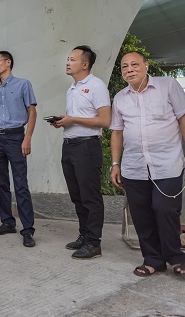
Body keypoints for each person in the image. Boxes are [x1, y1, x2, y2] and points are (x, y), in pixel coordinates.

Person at [110, 51, 185, 277]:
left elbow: (184, 119)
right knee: (141, 215)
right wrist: (115, 164)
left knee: (165, 209)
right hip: (134, 166)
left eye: (134, 64)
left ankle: (176, 257)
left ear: (146, 65)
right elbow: (117, 132)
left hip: (167, 163)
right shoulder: (120, 98)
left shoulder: (168, 85)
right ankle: (153, 260)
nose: (129, 69)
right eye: (125, 66)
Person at [50, 45, 110, 259]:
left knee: (90, 196)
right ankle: (84, 235)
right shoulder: (72, 88)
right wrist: (63, 122)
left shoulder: (96, 86)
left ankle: (94, 243)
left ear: (85, 64)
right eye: (68, 58)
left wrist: (73, 119)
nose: (68, 62)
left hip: (87, 147)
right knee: (77, 196)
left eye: (72, 59)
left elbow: (105, 120)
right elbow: (77, 118)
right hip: (69, 145)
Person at [0, 51, 37, 247]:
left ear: (8, 62)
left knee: (20, 183)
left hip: (16, 137)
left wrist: (27, 138)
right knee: (2, 183)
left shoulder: (23, 84)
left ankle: (28, 230)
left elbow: (32, 112)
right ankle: (7, 222)